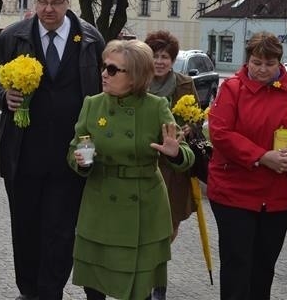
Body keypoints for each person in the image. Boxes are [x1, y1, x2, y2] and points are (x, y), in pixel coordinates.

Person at [0, 0, 105, 300]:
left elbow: (106, 84)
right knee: (25, 227)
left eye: (56, 3)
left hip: (71, 153)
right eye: (42, 2)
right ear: (35, 1)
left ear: (68, 2)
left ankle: (50, 292)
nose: (48, 9)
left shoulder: (90, 38)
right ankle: (29, 289)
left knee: (62, 231)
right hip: (23, 153)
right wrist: (2, 95)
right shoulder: (13, 36)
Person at [68, 39, 194, 300]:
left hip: (143, 208)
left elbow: (186, 156)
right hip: (101, 204)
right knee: (95, 285)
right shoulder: (92, 104)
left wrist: (176, 152)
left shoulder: (156, 107)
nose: (104, 73)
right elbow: (74, 148)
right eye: (104, 67)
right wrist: (80, 160)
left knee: (139, 289)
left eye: (113, 70)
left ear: (135, 75)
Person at [207, 32, 287, 300]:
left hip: (277, 195)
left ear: (279, 63)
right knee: (238, 265)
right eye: (256, 62)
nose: (262, 70)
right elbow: (221, 133)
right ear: (248, 60)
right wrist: (261, 156)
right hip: (233, 192)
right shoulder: (232, 88)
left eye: (269, 64)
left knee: (264, 266)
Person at [144, 30, 200, 300]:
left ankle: (159, 274)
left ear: (173, 59)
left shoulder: (184, 84)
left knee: (170, 222)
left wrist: (189, 128)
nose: (159, 61)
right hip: (146, 159)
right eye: (154, 55)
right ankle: (148, 272)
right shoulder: (137, 81)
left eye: (165, 56)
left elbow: (197, 119)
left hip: (174, 165)